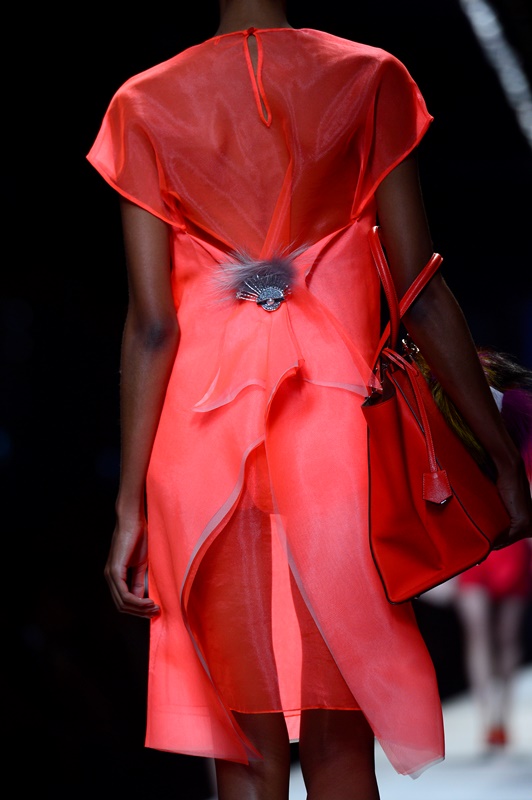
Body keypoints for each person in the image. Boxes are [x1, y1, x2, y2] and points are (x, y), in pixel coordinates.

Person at [87, 1, 532, 797]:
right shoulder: (369, 78)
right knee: (338, 738)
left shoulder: (143, 104)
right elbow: (420, 291)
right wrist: (499, 455)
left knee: (244, 750)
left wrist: (129, 508)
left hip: (199, 448)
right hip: (339, 434)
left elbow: (152, 327)